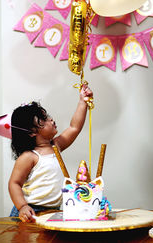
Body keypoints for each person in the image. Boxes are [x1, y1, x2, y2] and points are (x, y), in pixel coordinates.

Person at [8, 83, 93, 222]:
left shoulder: (56, 146)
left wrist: (82, 102)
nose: (51, 119)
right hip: (31, 211)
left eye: (47, 116)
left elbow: (74, 127)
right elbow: (14, 183)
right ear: (31, 132)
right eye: (44, 119)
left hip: (53, 210)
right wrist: (22, 206)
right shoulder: (29, 157)